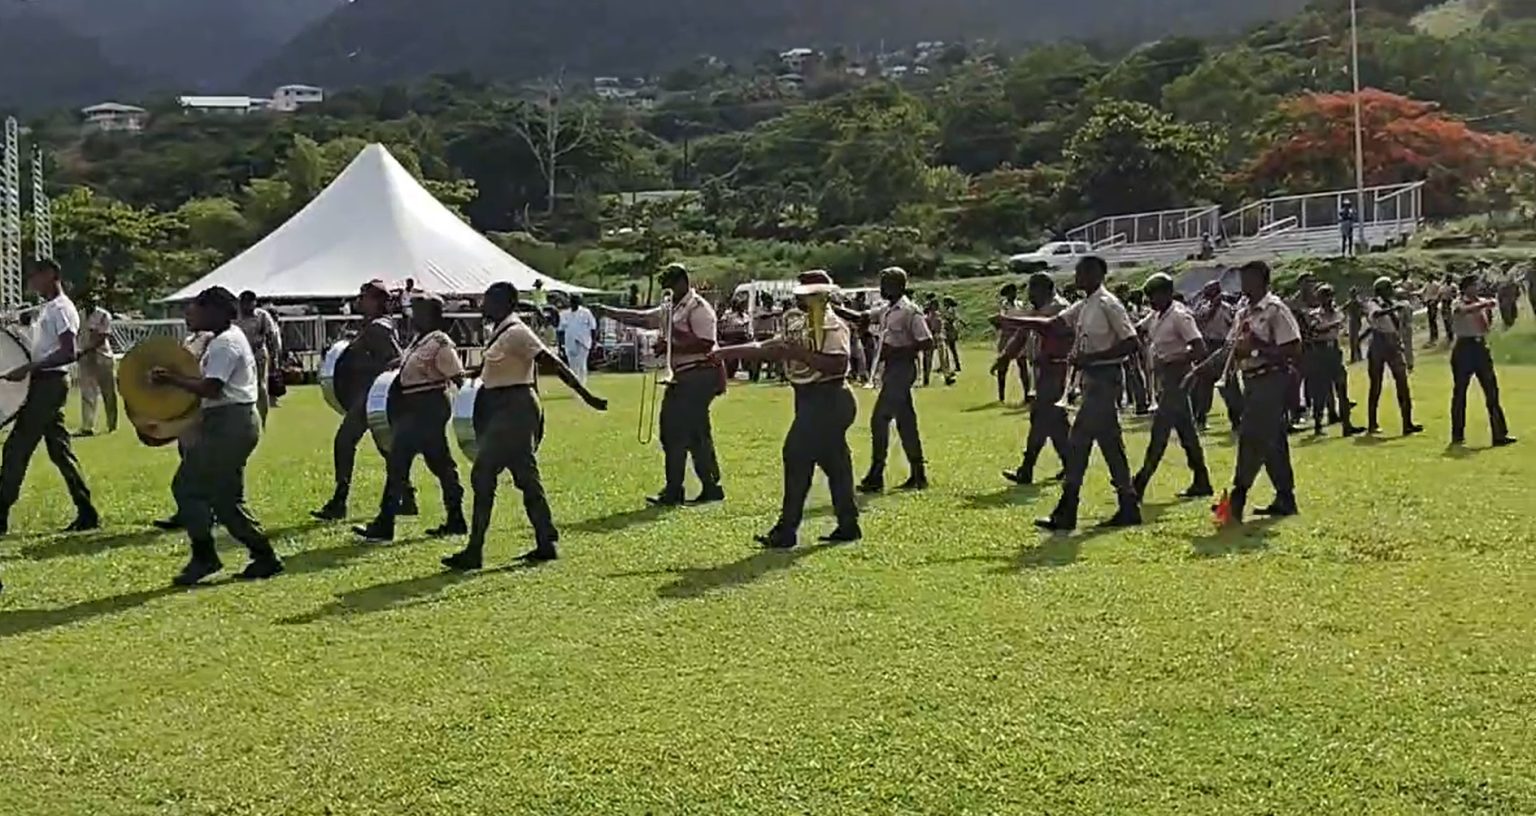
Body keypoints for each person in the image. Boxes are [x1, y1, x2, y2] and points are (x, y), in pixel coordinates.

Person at [442, 283, 609, 570]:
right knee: (525, 477)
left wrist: (586, 395)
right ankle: (545, 540)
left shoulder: (518, 332)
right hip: (501, 409)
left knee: (484, 473)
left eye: (488, 300)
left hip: (514, 409)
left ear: (504, 303)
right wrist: (468, 374)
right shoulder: (501, 331)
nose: (483, 306)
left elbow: (552, 363)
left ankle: (476, 550)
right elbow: (492, 368)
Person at [712, 271, 859, 549]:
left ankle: (787, 530)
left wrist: (798, 353)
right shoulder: (799, 323)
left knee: (797, 456)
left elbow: (838, 364)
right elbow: (769, 348)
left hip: (828, 398)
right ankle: (848, 524)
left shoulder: (832, 324)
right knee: (835, 462)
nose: (798, 296)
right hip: (813, 400)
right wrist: (726, 353)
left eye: (805, 292)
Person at [150, 287, 282, 586]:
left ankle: (205, 557)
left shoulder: (225, 343)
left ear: (216, 311)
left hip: (229, 424)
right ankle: (264, 556)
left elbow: (212, 388)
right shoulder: (222, 339)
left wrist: (171, 380)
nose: (191, 314)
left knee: (188, 488)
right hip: (232, 422)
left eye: (197, 308)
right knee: (226, 499)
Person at [1001, 256, 1141, 531]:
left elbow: (1131, 342)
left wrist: (1092, 358)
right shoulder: (1084, 304)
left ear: (1094, 274)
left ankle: (1067, 510)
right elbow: (1053, 325)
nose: (1076, 277)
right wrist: (1014, 321)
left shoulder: (1108, 304)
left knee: (1077, 442)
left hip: (1105, 379)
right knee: (1111, 445)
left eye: (1080, 272)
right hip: (1091, 380)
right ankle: (1128, 505)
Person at [596, 263, 724, 506]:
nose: (668, 291)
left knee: (674, 431)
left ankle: (678, 489)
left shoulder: (698, 308)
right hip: (683, 376)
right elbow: (644, 319)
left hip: (699, 374)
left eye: (671, 286)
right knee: (694, 434)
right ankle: (708, 486)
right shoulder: (671, 307)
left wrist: (671, 345)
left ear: (683, 282)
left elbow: (706, 343)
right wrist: (609, 312)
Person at [1190, 261, 1302, 524]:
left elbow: (1293, 348)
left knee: (1251, 436)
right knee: (1273, 442)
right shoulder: (1243, 311)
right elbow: (1230, 347)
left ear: (1262, 281)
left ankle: (1237, 497)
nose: (1243, 284)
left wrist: (1255, 349)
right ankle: (1285, 497)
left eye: (1248, 279)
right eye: (1242, 279)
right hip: (1251, 381)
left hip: (1270, 379)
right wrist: (1201, 370)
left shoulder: (1275, 310)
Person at [354, 293, 468, 542]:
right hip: (414, 408)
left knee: (399, 462)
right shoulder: (420, 340)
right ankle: (456, 518)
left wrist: (471, 405)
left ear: (431, 315)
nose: (412, 317)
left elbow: (458, 376)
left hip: (427, 408)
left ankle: (385, 524)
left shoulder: (440, 342)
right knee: (440, 464)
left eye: (417, 312)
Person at [0, 259, 100, 536]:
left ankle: (0, 513)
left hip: (49, 384)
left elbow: (68, 352)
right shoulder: (47, 309)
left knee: (16, 448)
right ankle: (87, 511)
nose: (31, 282)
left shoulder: (62, 309)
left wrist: (29, 368)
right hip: (45, 383)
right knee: (60, 451)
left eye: (35, 276)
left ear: (51, 274)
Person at [312, 281, 417, 521]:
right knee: (387, 449)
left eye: (364, 296)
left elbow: (397, 359)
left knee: (344, 442)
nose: (359, 300)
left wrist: (374, 372)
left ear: (376, 301)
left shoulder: (378, 328)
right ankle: (408, 497)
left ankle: (340, 501)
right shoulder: (373, 325)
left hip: (373, 394)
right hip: (371, 394)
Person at [1130, 273, 1212, 500]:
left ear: (1167, 293)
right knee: (1187, 432)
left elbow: (1199, 348)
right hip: (1165, 377)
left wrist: (1176, 357)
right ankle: (1202, 479)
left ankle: (1141, 481)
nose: (1150, 301)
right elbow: (1139, 329)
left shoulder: (1179, 316)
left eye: (1154, 295)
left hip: (1178, 375)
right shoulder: (1157, 314)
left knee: (1160, 429)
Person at [858, 267, 932, 493]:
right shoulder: (887, 309)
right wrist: (832, 306)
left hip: (902, 369)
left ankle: (876, 474)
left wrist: (897, 350)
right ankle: (918, 474)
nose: (881, 288)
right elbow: (863, 317)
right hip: (891, 370)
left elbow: (926, 341)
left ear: (898, 285)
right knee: (906, 422)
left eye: (885, 284)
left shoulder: (910, 311)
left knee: (879, 419)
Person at [997, 273, 1070, 485]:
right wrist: (1005, 357)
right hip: (1042, 371)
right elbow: (1022, 333)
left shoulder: (1058, 308)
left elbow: (1044, 326)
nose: (1029, 295)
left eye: (1032, 289)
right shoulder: (1037, 308)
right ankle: (1070, 465)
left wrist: (1008, 321)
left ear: (1044, 289)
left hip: (1057, 370)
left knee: (1042, 418)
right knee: (1054, 421)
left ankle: (1027, 469)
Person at [1448, 275, 1516, 448]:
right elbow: (1462, 311)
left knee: (1492, 391)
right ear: (1466, 287)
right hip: (1464, 347)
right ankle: (1457, 435)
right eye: (1474, 285)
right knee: (1460, 393)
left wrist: (1486, 309)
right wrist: (1484, 305)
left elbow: (1486, 326)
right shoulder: (1458, 302)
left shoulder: (1480, 302)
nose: (1477, 288)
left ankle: (1499, 434)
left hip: (1480, 347)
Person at [1363, 277, 1423, 436]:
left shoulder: (1393, 303)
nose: (1391, 292)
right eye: (1388, 288)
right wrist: (1393, 309)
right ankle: (1372, 423)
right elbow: (1376, 315)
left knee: (1402, 382)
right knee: (1376, 384)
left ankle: (1407, 423)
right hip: (1379, 342)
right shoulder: (1373, 303)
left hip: (1393, 342)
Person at [1306, 285, 1363, 437]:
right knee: (1321, 391)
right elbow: (1315, 330)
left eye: (1330, 296)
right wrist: (1332, 325)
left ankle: (1347, 425)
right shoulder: (1315, 314)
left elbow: (1341, 329)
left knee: (1342, 389)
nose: (1329, 300)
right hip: (1321, 353)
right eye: (1326, 296)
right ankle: (1318, 425)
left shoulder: (1337, 312)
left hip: (1334, 351)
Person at [1192, 280, 1240, 430]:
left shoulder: (1227, 308)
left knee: (1230, 387)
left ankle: (1237, 420)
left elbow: (1234, 325)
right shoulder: (1202, 307)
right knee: (1203, 388)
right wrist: (1214, 306)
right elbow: (1201, 319)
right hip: (1207, 347)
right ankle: (1200, 419)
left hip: (1222, 346)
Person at [236, 290, 282, 425]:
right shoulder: (234, 317)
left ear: (254, 303)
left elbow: (272, 336)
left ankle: (262, 420)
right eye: (243, 303)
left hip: (258, 353)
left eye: (249, 303)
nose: (245, 306)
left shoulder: (262, 316)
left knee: (261, 386)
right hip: (239, 355)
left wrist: (275, 356)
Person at [75, 295, 118, 436]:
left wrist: (83, 350)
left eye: (93, 301)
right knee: (87, 393)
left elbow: (101, 338)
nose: (90, 304)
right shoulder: (80, 315)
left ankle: (112, 424)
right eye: (88, 301)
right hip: (85, 359)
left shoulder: (104, 315)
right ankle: (87, 427)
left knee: (108, 392)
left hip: (102, 358)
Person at [994, 284, 1031, 404]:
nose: (1014, 294)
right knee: (1003, 367)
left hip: (1019, 336)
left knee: (1023, 366)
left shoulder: (1020, 305)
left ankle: (1027, 394)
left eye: (1014, 292)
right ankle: (1001, 396)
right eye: (1011, 292)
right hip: (1007, 337)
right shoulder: (1003, 306)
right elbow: (1001, 320)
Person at [557, 293, 598, 384]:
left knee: (581, 364)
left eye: (575, 301)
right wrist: (560, 345)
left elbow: (593, 328)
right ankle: (575, 384)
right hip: (569, 342)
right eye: (572, 301)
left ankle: (582, 384)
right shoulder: (564, 314)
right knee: (572, 366)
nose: (573, 303)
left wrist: (594, 342)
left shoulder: (586, 312)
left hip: (583, 342)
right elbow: (560, 331)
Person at [941, 296, 963, 374]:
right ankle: (947, 365)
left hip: (950, 331)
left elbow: (952, 318)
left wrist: (945, 317)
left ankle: (956, 365)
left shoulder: (950, 310)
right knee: (947, 349)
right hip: (947, 330)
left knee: (951, 349)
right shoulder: (947, 310)